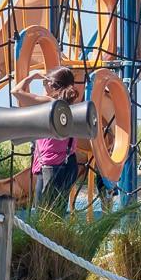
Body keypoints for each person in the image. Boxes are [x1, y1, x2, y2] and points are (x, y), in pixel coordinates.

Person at [33, 68, 86, 206]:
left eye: (45, 82)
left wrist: (31, 77)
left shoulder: (48, 103)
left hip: (51, 166)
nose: (43, 86)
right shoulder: (70, 106)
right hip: (68, 163)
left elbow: (16, 92)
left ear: (51, 86)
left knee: (42, 213)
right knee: (56, 212)